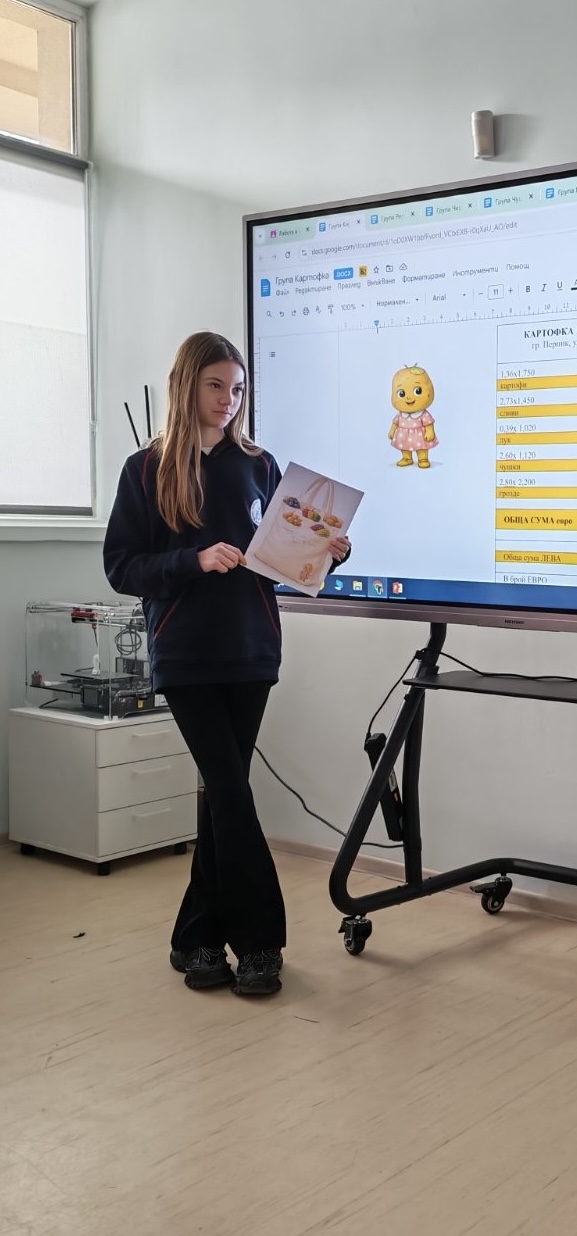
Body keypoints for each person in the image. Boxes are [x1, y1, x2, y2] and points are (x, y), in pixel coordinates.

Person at [104, 332, 350, 997]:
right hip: (185, 653)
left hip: (252, 649)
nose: (228, 400)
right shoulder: (146, 468)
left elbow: (283, 562)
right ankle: (261, 941)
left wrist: (328, 551)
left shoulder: (259, 465)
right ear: (187, 384)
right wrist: (195, 559)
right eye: (216, 385)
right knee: (232, 792)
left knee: (223, 794)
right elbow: (121, 566)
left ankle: (197, 938)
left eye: (237, 388)